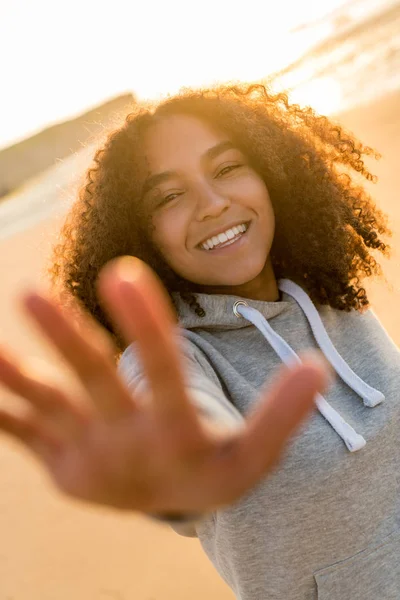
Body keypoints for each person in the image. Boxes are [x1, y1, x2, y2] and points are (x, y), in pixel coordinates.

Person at [0, 82, 399, 600]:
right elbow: (180, 417)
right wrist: (182, 470)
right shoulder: (172, 356)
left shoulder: (326, 292)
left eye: (228, 167)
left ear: (270, 173)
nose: (212, 204)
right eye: (169, 196)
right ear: (142, 236)